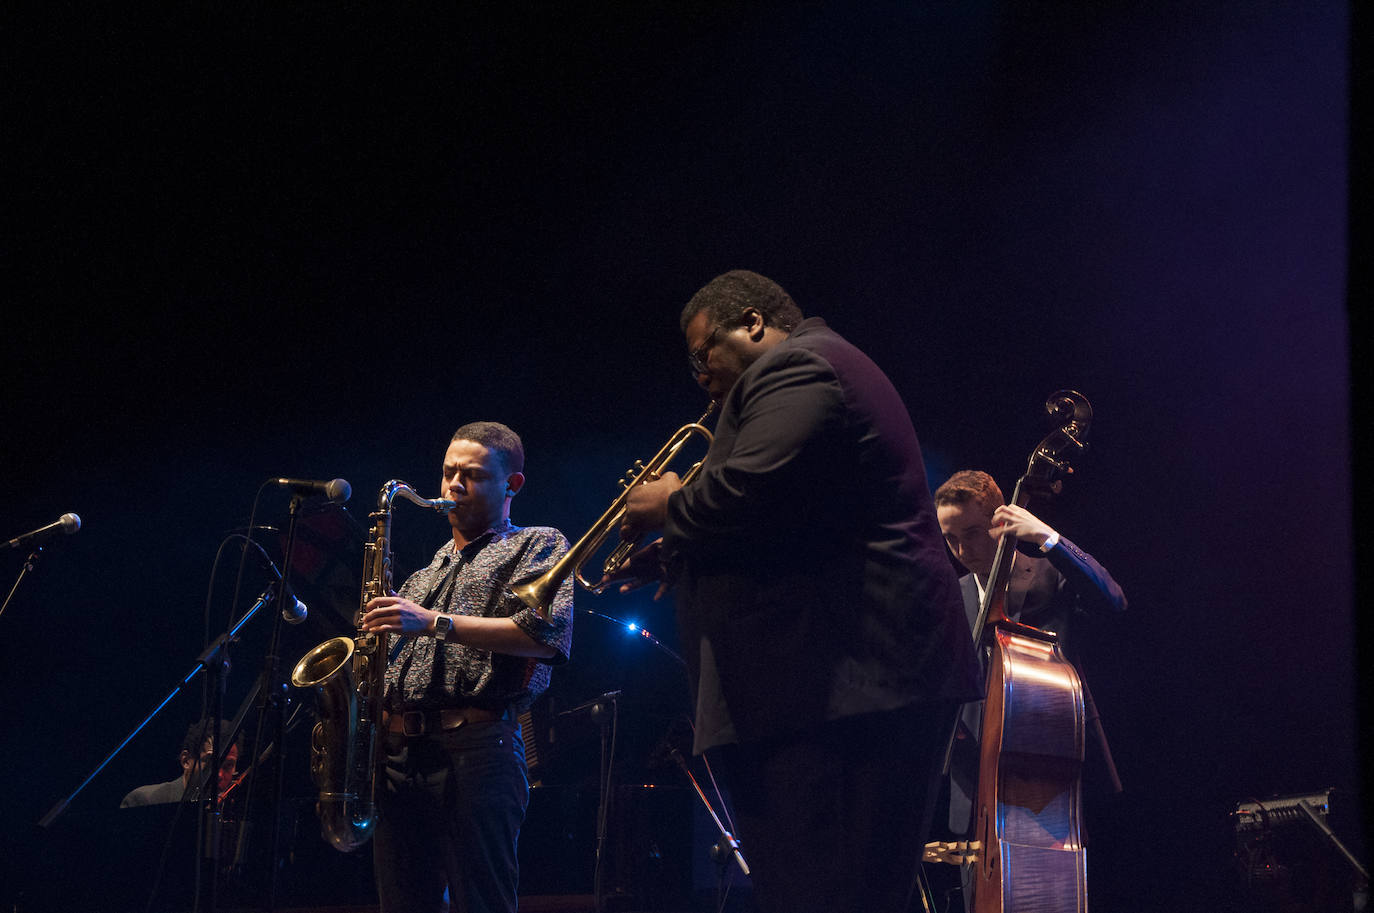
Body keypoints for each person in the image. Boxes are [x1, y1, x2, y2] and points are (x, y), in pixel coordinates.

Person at [619, 269, 982, 913]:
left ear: (754, 322)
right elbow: (793, 516)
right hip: (831, 691)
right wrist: (677, 554)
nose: (700, 376)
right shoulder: (810, 369)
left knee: (829, 891)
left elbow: (748, 488)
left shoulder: (801, 366)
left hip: (845, 692)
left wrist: (670, 501)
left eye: (704, 355)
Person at [358, 420, 573, 913]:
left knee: (483, 902)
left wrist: (433, 623)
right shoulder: (420, 576)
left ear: (511, 484)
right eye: (448, 472)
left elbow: (543, 636)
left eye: (471, 475)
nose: (453, 486)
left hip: (478, 750)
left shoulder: (537, 544)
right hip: (395, 757)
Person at [932, 469, 1127, 912]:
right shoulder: (949, 595)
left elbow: (1112, 600)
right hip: (975, 798)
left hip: (1053, 790)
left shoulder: (1050, 574)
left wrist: (1049, 538)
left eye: (973, 533)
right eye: (951, 539)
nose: (962, 550)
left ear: (1002, 522)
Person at [121, 718, 241, 808]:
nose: (219, 775)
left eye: (228, 765)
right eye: (210, 763)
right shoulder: (145, 800)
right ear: (186, 761)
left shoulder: (232, 810)